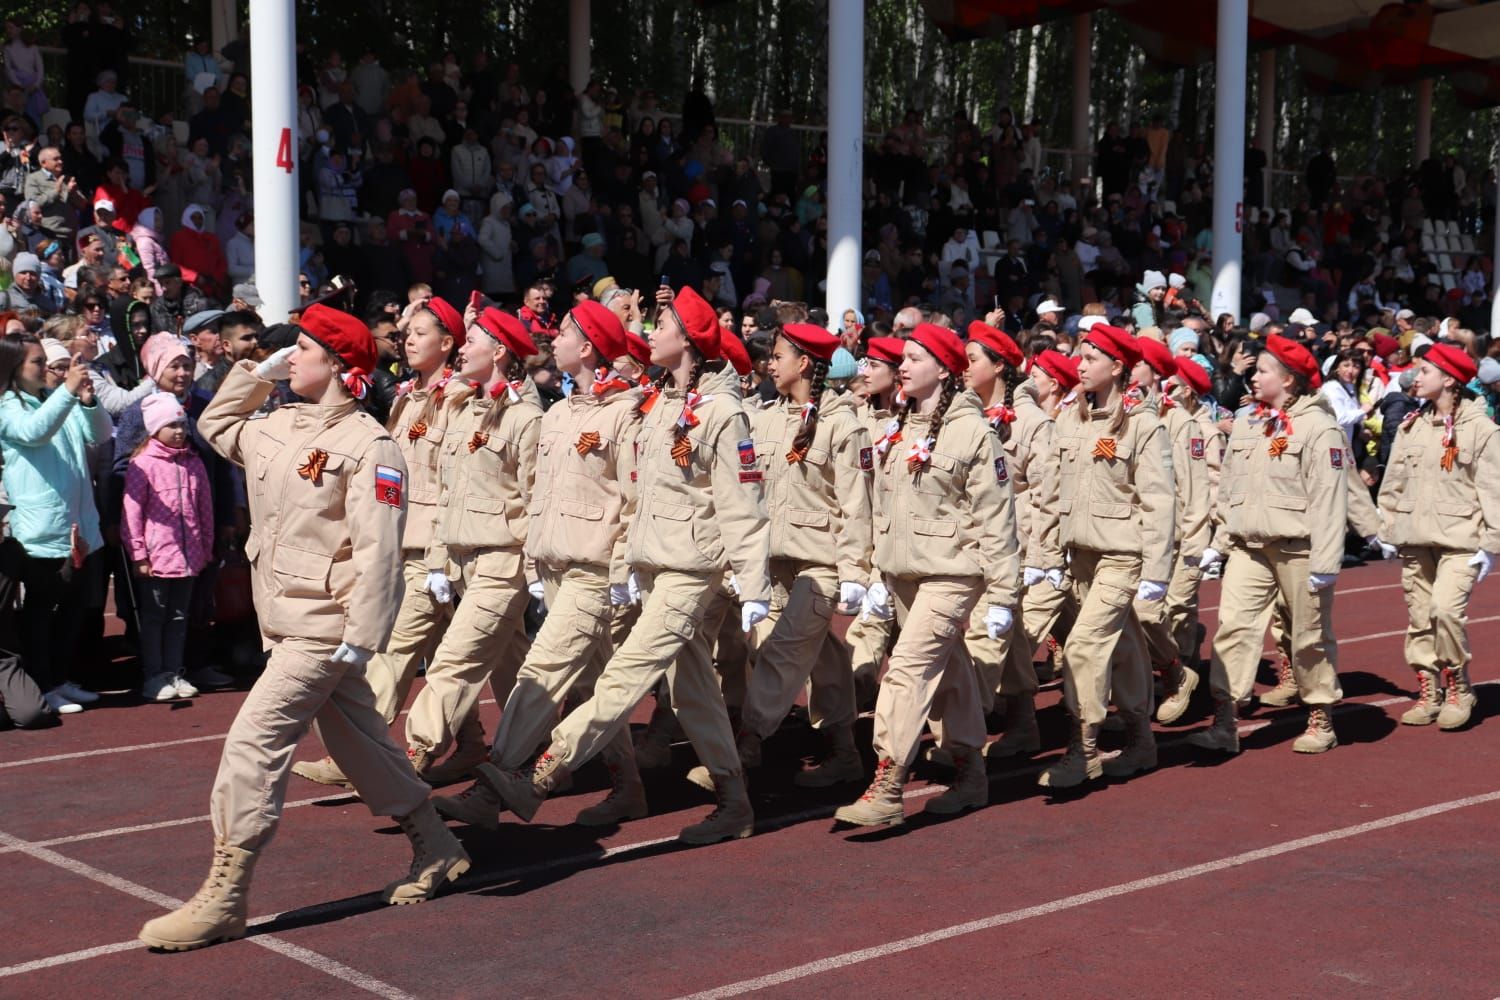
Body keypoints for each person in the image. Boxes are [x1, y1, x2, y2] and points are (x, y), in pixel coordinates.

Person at [140, 305, 470, 954]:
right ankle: (437, 845)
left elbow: (379, 550)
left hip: (328, 627)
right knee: (360, 744)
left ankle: (226, 892)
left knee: (252, 742)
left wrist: (364, 632)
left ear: (343, 369)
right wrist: (252, 374)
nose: (291, 356)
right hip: (286, 619)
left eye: (305, 349)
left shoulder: (369, 446)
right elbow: (217, 425)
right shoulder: (278, 423)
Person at [476, 285, 772, 845]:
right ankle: (734, 801)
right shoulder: (658, 403)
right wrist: (629, 565)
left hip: (691, 567)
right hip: (656, 561)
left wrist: (753, 582)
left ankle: (542, 773)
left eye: (662, 326)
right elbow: (639, 492)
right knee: (693, 691)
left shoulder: (723, 412)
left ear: (686, 340)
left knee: (623, 675)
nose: (650, 334)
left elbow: (743, 501)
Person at [435, 299, 649, 830]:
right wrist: (534, 568)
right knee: (592, 685)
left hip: (592, 572)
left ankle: (495, 786)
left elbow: (632, 501)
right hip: (555, 570)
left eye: (566, 334)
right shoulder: (558, 411)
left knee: (539, 675)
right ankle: (630, 787)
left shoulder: (625, 414)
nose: (553, 340)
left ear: (591, 348)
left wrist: (622, 570)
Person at [834, 322, 1019, 825]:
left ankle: (888, 783)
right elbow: (878, 508)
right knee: (954, 676)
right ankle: (970, 772)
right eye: (905, 359)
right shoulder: (898, 426)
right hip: (903, 574)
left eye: (915, 359)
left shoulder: (972, 431)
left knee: (908, 671)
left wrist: (1003, 595)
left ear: (943, 369)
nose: (904, 366)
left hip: (951, 574)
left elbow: (995, 517)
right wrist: (874, 573)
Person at [292, 296, 468, 790]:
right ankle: (473, 745)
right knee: (470, 656)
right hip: (409, 540)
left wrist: (439, 553)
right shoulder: (408, 397)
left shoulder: (460, 400)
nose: (407, 339)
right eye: (405, 331)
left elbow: (458, 483)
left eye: (420, 332)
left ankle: (358, 753)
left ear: (448, 343)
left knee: (400, 651)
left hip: (440, 547)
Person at [703, 321, 873, 790]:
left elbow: (858, 506)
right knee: (816, 657)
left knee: (782, 652)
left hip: (820, 563)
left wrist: (856, 572)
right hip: (773, 559)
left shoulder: (844, 423)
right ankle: (844, 751)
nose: (769, 363)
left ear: (804, 363)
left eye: (778, 356)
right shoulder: (765, 417)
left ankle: (741, 747)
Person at [400, 304, 541, 776]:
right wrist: (439, 560)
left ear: (499, 351)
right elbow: (445, 494)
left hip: (503, 561)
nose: (462, 348)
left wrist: (537, 572)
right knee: (512, 666)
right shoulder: (462, 414)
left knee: (453, 661)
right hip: (462, 560)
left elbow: (535, 498)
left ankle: (413, 755)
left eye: (472, 340)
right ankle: (547, 750)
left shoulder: (524, 418)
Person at [1192, 335, 1349, 755]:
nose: (1253, 376)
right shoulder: (1247, 422)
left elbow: (1330, 499)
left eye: (1262, 370)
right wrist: (1219, 543)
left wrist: (1326, 561)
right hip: (1248, 547)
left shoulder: (1319, 428)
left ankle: (1320, 714)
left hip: (1300, 549)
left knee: (1308, 635)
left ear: (1290, 380)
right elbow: (1229, 489)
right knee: (1233, 630)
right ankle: (1226, 721)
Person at [1037, 324, 1173, 789]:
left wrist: (1156, 571)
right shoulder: (1068, 420)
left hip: (1121, 556)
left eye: (1091, 359)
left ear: (1117, 367)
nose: (1080, 365)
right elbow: (1050, 494)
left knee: (1083, 646)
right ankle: (1140, 740)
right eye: (1079, 357)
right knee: (1126, 648)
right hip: (1080, 558)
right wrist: (1047, 554)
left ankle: (1083, 747)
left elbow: (1158, 501)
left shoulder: (1142, 424)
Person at [1378, 344, 1499, 731]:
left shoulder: (1481, 429)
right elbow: (1392, 483)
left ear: (1449, 379)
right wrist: (1388, 528)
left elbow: (1493, 489)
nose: (1416, 377)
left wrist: (1492, 545)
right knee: (1419, 619)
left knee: (1445, 611)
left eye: (1425, 371)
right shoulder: (1412, 425)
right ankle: (1429, 689)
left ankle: (1459, 686)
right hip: (1415, 537)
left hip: (1461, 539)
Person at [960, 317, 1059, 760]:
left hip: (1012, 549)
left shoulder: (1032, 423)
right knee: (1014, 637)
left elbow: (1046, 496)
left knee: (982, 637)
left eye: (972, 359)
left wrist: (1040, 558)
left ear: (999, 367)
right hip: (971, 545)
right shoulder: (962, 416)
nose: (963, 366)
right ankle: (1023, 726)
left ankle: (958, 738)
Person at [0, 335, 111, 715]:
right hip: (41, 529)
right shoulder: (7, 406)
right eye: (37, 362)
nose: (47, 367)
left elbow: (100, 434)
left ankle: (60, 680)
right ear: (14, 367)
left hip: (78, 527)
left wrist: (88, 401)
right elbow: (34, 432)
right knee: (40, 615)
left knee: (72, 610)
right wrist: (66, 392)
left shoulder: (55, 399)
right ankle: (43, 685)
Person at [1128, 337, 1215, 725]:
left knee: (1170, 610)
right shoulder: (1128, 415)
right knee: (1140, 617)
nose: (1129, 369)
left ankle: (1176, 679)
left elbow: (1196, 489)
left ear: (1154, 373)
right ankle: (1153, 684)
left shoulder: (1183, 423)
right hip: (1141, 536)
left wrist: (1196, 547)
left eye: (1136, 364)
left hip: (1178, 538)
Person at [122, 393, 213, 701]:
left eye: (182, 424)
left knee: (178, 618)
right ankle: (153, 676)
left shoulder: (194, 463)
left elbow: (205, 509)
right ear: (154, 428)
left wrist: (206, 547)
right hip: (157, 557)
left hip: (189, 558)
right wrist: (138, 554)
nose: (179, 431)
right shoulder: (142, 464)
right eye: (171, 425)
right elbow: (131, 514)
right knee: (154, 618)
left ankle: (174, 672)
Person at [843, 336, 905, 710]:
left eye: (875, 366)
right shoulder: (858, 415)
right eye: (864, 363)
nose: (864, 372)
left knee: (895, 638)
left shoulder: (910, 420)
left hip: (900, 543)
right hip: (866, 538)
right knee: (875, 631)